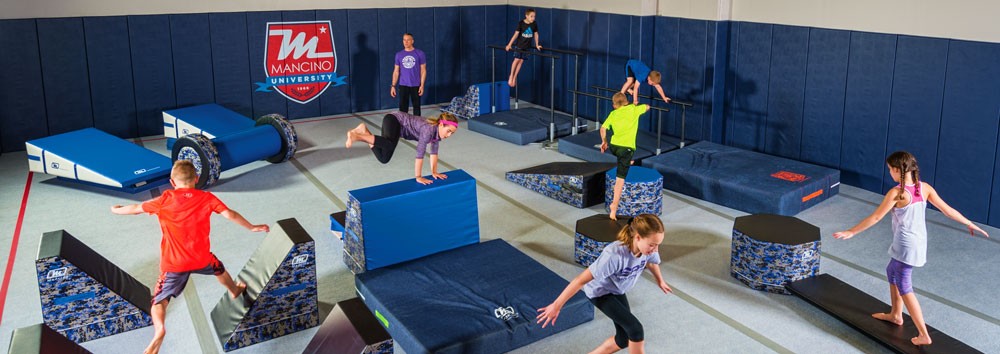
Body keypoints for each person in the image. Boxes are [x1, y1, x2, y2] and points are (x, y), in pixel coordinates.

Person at [111, 160, 269, 354]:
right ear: (196, 179)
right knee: (218, 268)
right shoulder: (206, 197)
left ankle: (159, 329)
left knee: (160, 300)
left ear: (172, 182)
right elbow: (230, 214)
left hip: (174, 263)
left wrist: (117, 210)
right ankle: (235, 290)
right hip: (201, 257)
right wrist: (252, 227)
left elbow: (136, 209)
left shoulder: (165, 199)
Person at [833, 151, 989, 346]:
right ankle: (896, 314)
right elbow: (948, 210)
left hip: (905, 244)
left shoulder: (897, 193)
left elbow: (875, 217)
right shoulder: (924, 188)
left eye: (890, 169)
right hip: (918, 241)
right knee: (892, 271)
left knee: (905, 285)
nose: (889, 172)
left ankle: (923, 333)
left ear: (897, 170)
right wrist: (969, 223)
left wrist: (852, 232)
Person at [537, 214, 671, 353]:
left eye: (658, 245)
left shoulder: (648, 250)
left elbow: (651, 262)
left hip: (617, 290)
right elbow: (580, 280)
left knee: (624, 338)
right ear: (637, 237)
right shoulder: (614, 255)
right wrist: (556, 306)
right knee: (635, 330)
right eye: (652, 245)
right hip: (600, 292)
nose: (655, 249)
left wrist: (660, 280)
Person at [345, 112, 459, 185]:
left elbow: (434, 153)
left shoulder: (437, 135)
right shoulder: (428, 130)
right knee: (388, 144)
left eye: (452, 133)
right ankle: (357, 136)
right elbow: (420, 153)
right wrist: (418, 177)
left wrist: (434, 172)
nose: (449, 135)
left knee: (384, 158)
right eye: (448, 131)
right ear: (441, 125)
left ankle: (364, 131)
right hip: (394, 120)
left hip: (397, 130)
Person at [600, 92, 649, 220]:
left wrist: (604, 141)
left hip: (614, 147)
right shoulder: (633, 109)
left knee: (625, 158)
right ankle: (614, 207)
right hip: (626, 149)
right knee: (620, 180)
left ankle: (628, 162)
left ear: (614, 105)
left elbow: (603, 128)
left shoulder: (613, 113)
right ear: (626, 101)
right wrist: (637, 104)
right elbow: (647, 106)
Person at [390, 33, 427, 116]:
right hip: (403, 85)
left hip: (416, 85)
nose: (406, 42)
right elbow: (396, 71)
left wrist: (422, 85)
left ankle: (416, 126)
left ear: (412, 41)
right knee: (403, 109)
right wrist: (393, 86)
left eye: (408, 40)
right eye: (404, 40)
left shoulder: (420, 54)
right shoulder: (399, 55)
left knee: (416, 108)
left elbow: (423, 70)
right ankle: (403, 126)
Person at [504, 8, 542, 88]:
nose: (533, 18)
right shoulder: (521, 23)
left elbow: (536, 34)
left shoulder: (534, 24)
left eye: (534, 16)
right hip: (519, 45)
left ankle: (514, 77)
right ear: (526, 16)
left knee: (521, 62)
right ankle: (511, 75)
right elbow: (516, 34)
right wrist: (509, 44)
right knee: (516, 60)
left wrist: (537, 44)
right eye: (531, 16)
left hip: (527, 47)